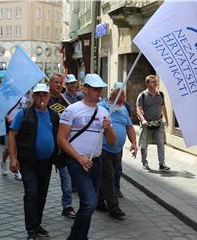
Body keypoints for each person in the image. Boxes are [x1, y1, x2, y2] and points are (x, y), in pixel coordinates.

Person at [57, 73, 117, 240]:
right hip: (77, 162)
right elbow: (61, 139)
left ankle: (80, 236)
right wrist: (79, 158)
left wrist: (109, 129)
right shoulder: (72, 110)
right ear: (85, 89)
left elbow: (112, 142)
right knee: (91, 202)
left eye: (100, 89)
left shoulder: (104, 111)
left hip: (95, 163)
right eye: (95, 89)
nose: (99, 92)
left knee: (87, 204)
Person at [9, 83, 59, 240]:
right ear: (33, 97)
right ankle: (31, 228)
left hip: (46, 162)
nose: (41, 97)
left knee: (42, 195)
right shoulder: (23, 114)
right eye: (38, 95)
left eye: (44, 94)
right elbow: (12, 134)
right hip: (28, 161)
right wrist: (13, 158)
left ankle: (37, 224)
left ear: (49, 96)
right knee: (31, 193)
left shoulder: (53, 115)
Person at [97, 82, 137, 219]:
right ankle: (114, 208)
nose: (121, 104)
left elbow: (130, 127)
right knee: (108, 178)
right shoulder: (102, 108)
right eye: (119, 102)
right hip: (104, 149)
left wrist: (134, 143)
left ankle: (99, 202)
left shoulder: (123, 109)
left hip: (117, 150)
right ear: (113, 99)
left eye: (123, 102)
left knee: (111, 177)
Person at [47, 73, 76, 219]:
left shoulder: (65, 102)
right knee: (42, 178)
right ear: (50, 83)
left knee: (66, 177)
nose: (59, 85)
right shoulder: (44, 99)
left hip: (62, 145)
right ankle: (38, 203)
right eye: (56, 82)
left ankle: (67, 205)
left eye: (60, 83)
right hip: (47, 145)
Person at [136, 75, 170, 171]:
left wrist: (166, 120)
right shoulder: (142, 95)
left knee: (161, 143)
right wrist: (143, 120)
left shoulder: (161, 95)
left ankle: (162, 164)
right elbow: (139, 109)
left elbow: (163, 107)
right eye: (153, 82)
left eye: (156, 81)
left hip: (158, 123)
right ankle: (144, 162)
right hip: (146, 124)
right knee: (144, 144)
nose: (156, 83)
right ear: (147, 83)